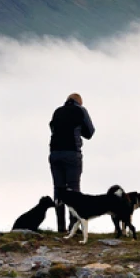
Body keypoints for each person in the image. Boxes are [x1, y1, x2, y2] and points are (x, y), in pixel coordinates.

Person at [49, 93, 96, 233]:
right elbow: (90, 132)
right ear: (79, 102)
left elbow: (52, 127)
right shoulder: (80, 110)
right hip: (72, 153)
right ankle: (73, 226)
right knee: (73, 189)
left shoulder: (57, 111)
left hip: (55, 153)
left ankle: (60, 226)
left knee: (58, 188)